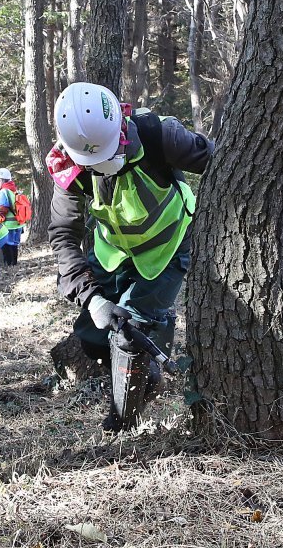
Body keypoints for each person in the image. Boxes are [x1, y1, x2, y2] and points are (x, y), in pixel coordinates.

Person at [46, 82, 211, 431]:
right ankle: (147, 355)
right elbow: (63, 234)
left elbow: (224, 162)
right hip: (113, 253)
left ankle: (123, 420)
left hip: (168, 248)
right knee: (93, 339)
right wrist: (91, 299)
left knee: (129, 334)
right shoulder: (69, 166)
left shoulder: (158, 134)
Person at [0, 168, 23, 267]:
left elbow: (4, 209)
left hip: (8, 224)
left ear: (1, 180)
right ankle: (14, 265)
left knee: (6, 245)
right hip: (18, 223)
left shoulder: (3, 191)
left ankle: (9, 266)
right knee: (14, 245)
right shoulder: (13, 189)